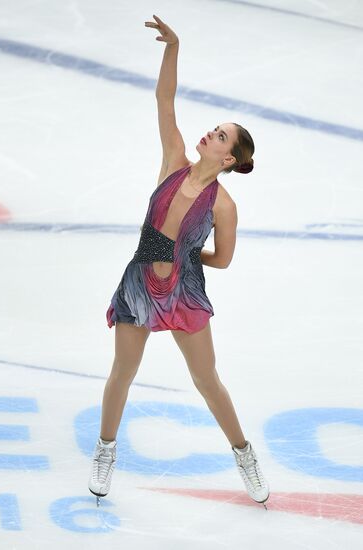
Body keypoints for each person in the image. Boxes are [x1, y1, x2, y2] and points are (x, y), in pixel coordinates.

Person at [88, 14, 269, 510]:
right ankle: (105, 451)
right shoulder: (174, 159)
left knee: (206, 380)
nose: (209, 134)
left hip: (185, 289)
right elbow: (164, 100)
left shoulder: (224, 205)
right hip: (140, 280)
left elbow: (224, 259)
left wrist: (188, 258)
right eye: (213, 129)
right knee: (122, 370)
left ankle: (244, 454)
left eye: (219, 136)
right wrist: (174, 47)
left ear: (228, 159)